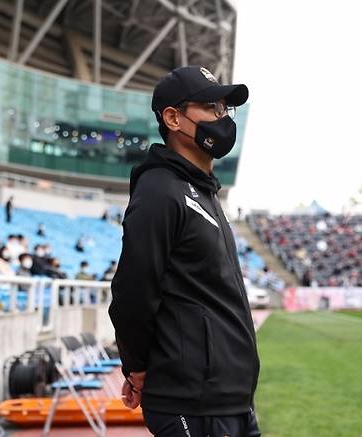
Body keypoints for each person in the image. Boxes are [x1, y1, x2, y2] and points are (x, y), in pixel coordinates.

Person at [108, 66, 260, 436]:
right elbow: (132, 292)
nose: (222, 119)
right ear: (173, 118)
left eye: (225, 110)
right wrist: (137, 368)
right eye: (211, 107)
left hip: (230, 401)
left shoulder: (204, 192)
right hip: (193, 403)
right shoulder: (161, 191)